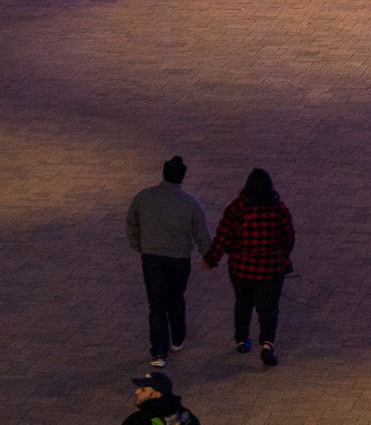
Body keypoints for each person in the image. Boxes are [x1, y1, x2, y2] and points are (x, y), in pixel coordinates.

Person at [203, 167, 295, 368]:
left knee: (243, 303)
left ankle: (242, 340)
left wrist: (211, 259)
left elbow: (222, 236)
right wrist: (281, 254)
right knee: (268, 309)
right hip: (271, 270)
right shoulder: (279, 209)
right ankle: (267, 345)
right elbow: (289, 236)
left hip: (241, 269)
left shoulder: (236, 209)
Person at [126, 156, 212, 369]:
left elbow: (132, 224)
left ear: (163, 173)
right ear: (183, 176)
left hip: (152, 258)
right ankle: (178, 337)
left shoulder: (143, 197)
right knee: (176, 297)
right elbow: (201, 233)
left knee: (156, 305)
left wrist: (140, 246)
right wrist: (208, 256)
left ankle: (158, 352)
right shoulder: (191, 203)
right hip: (179, 259)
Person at [122, 373, 199, 425]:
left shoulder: (138, 420)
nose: (137, 392)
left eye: (143, 390)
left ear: (157, 394)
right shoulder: (184, 414)